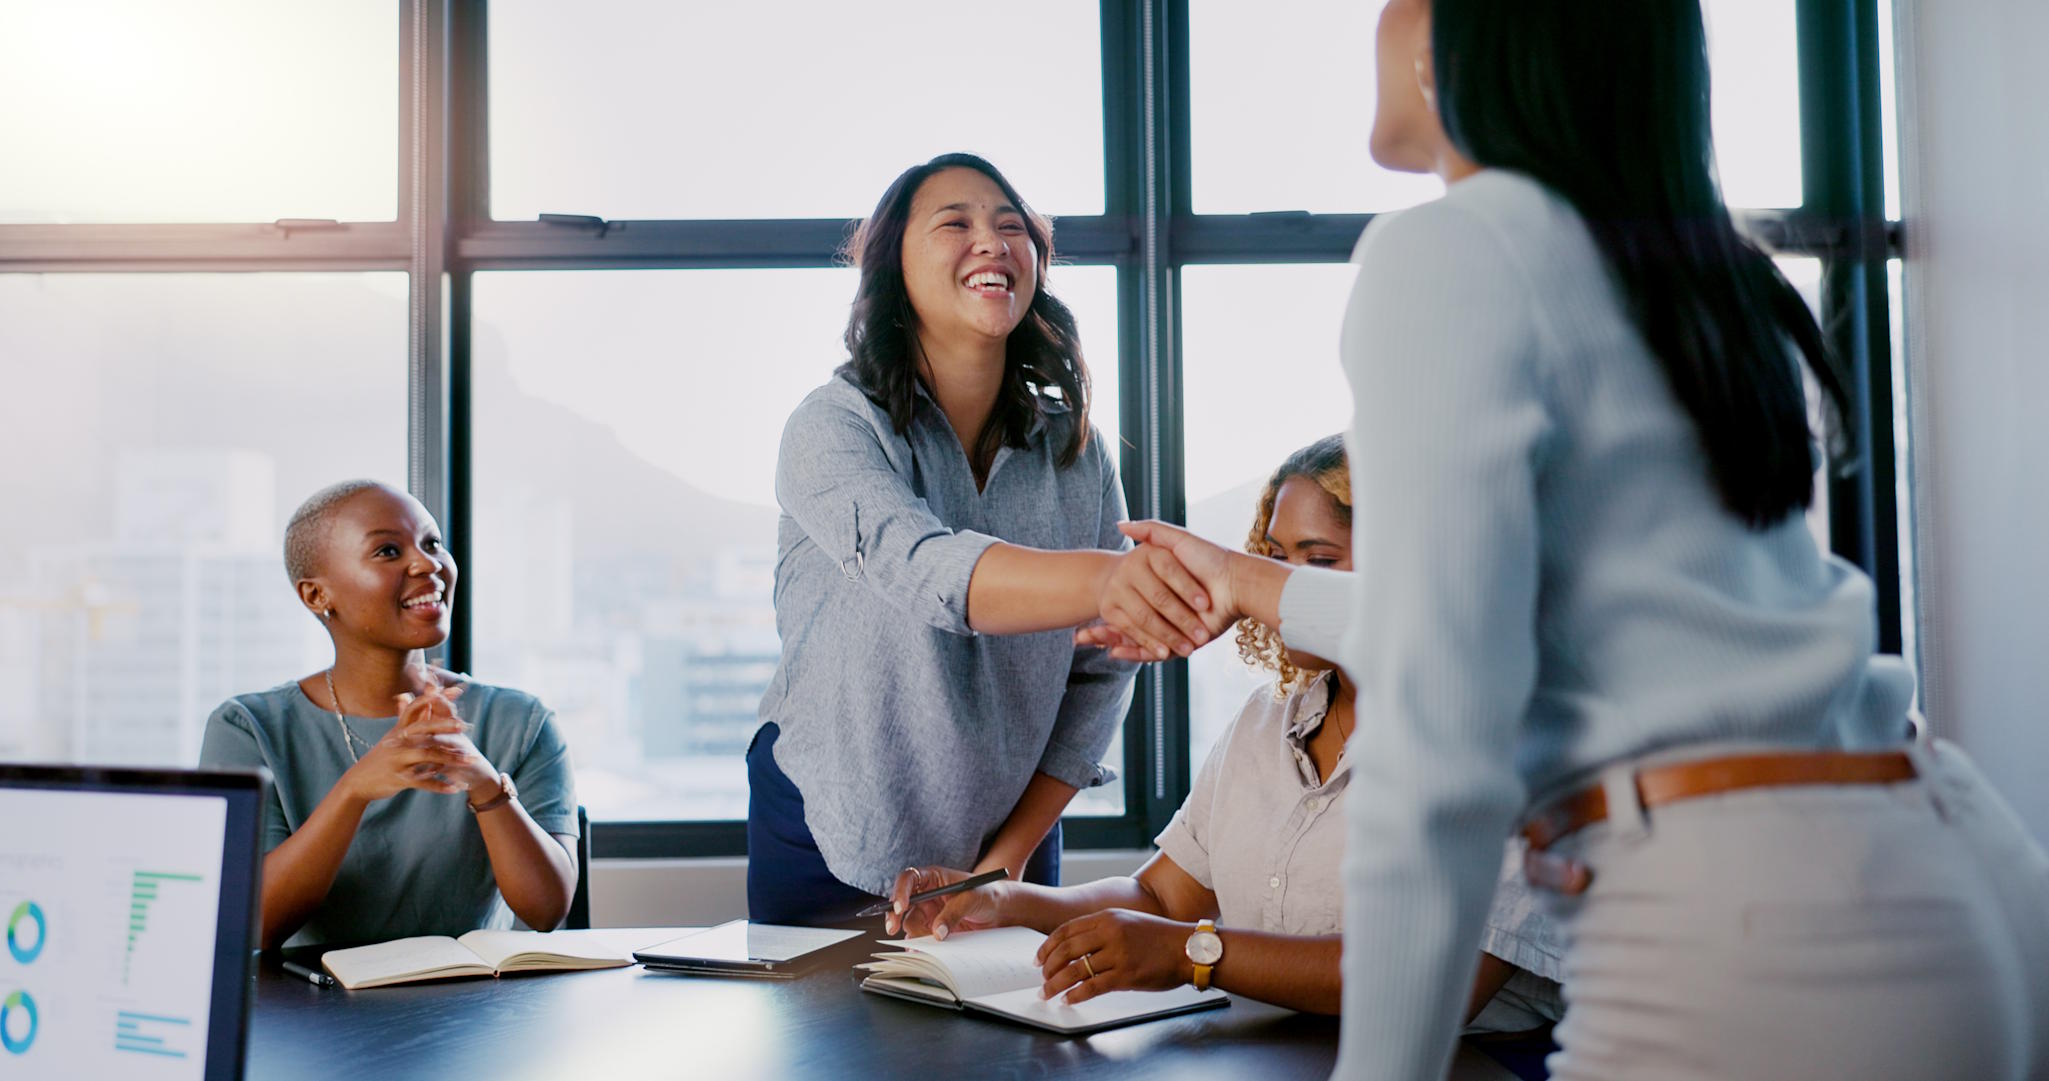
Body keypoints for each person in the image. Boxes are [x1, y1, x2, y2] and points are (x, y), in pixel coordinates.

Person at [1088, 2, 2049, 1078]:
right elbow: (1502, 621)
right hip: (1944, 860)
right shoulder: (1698, 274)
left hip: (1749, 932)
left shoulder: (1454, 249)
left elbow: (1440, 722)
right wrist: (1247, 581)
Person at [889, 436, 1564, 1035]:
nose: (1279, 590)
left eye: (1317, 561)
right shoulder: (1265, 721)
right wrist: (1004, 898)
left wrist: (1191, 952)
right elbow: (1159, 898)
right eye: (1271, 558)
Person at [751, 153, 1209, 925]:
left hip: (1009, 830)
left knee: (1005, 1044)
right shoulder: (831, 426)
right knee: (830, 1041)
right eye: (954, 224)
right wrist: (1107, 580)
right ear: (892, 262)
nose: (992, 241)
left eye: (1010, 226)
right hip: (831, 818)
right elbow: (921, 568)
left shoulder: (1078, 450)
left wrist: (1006, 860)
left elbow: (1100, 671)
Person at [199, 480, 578, 950]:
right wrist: (356, 789)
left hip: (470, 1011)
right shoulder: (247, 729)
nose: (427, 563)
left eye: (432, 543)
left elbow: (547, 911)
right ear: (317, 596)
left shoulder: (521, 721)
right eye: (387, 551)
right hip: (309, 1014)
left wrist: (484, 782)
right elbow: (251, 925)